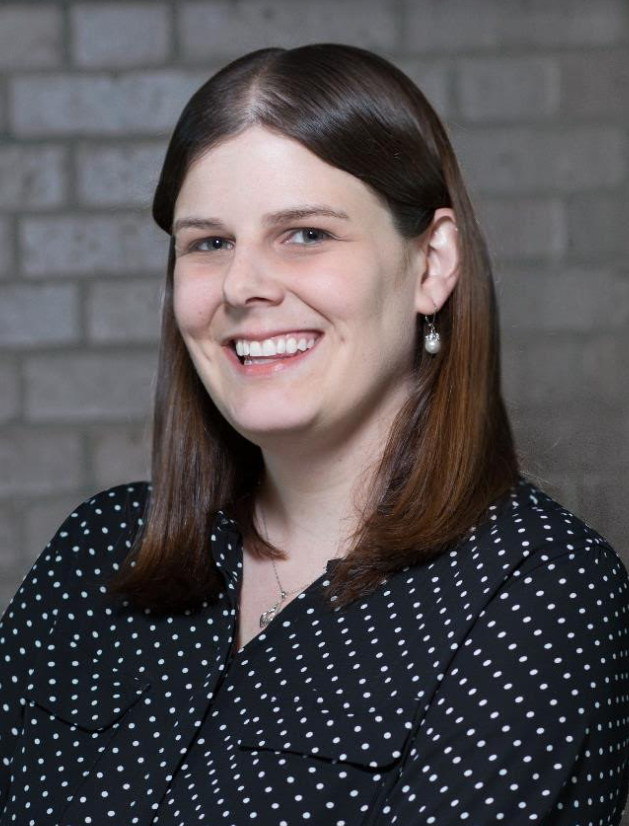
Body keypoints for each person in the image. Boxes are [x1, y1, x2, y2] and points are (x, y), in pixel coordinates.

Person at [1, 42, 628, 826]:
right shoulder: (96, 552)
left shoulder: (540, 591)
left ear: (432, 263)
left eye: (304, 234)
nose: (242, 285)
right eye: (209, 242)